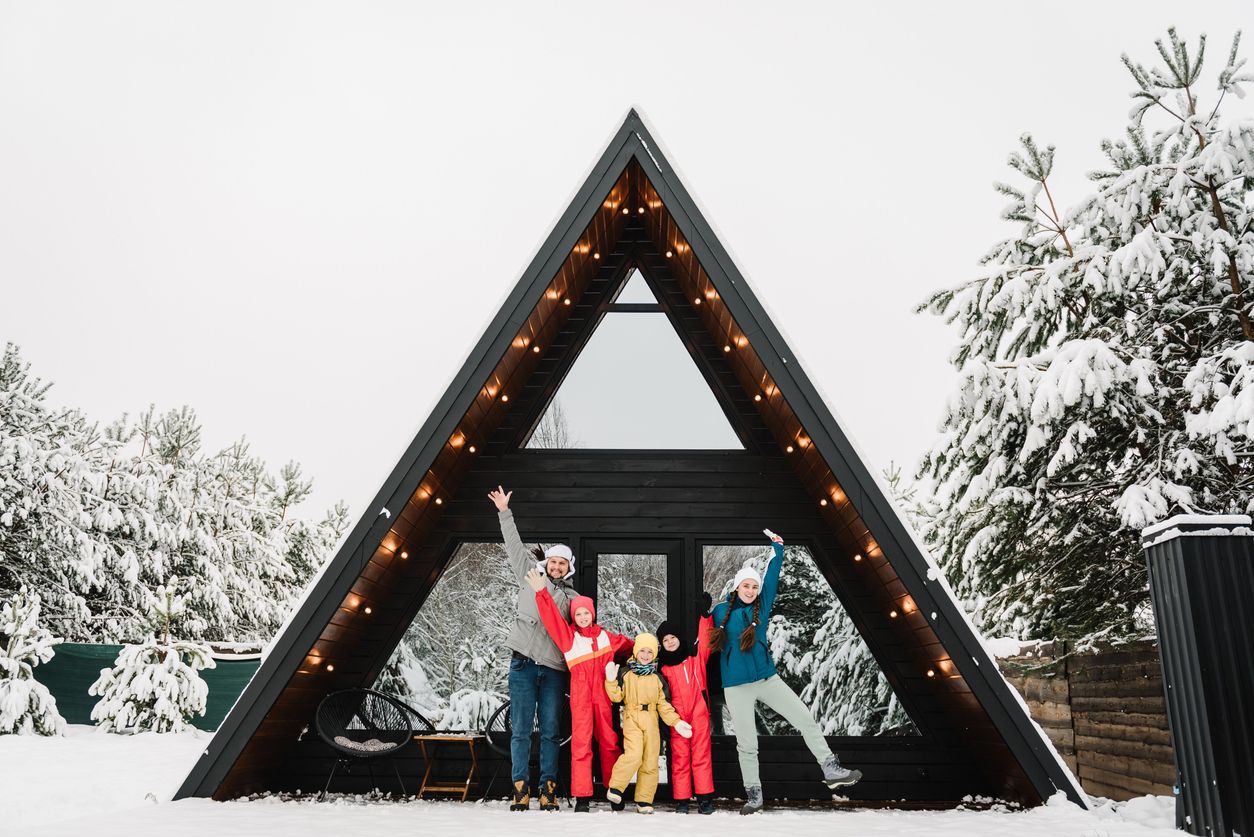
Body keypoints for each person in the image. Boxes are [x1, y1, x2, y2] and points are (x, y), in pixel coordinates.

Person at [708, 530, 862, 814]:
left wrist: (778, 549)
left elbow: (771, 577)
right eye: (747, 586)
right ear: (737, 588)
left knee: (805, 718)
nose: (752, 590)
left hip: (768, 679)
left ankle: (830, 769)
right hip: (736, 686)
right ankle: (754, 795)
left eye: (754, 587)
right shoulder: (719, 612)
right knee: (747, 743)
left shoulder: (761, 607)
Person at [489, 485, 578, 812]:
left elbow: (561, 618)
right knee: (522, 730)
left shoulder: (571, 599)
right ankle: (520, 789)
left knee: (552, 732)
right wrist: (504, 512)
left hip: (553, 670)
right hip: (523, 665)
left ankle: (548, 789)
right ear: (547, 562)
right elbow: (514, 546)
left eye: (561, 565)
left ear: (568, 569)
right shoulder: (530, 575)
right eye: (552, 562)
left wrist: (546, 589)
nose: (555, 568)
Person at [526, 568, 634, 812]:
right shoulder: (569, 638)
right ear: (574, 616)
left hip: (605, 697)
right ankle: (582, 797)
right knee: (582, 745)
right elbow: (552, 618)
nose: (584, 617)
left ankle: (614, 792)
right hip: (582, 697)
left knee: (610, 743)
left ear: (593, 614)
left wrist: (644, 658)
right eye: (579, 613)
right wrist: (542, 592)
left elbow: (634, 648)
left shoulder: (607, 636)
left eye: (587, 613)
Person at [603, 634, 693, 814]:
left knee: (650, 761)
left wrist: (676, 722)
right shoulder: (626, 674)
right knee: (634, 754)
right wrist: (611, 681)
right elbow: (616, 697)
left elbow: (663, 705)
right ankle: (615, 788)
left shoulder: (657, 678)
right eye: (642, 650)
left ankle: (644, 800)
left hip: (652, 719)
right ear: (636, 652)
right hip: (632, 717)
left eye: (649, 652)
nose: (645, 655)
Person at [656, 597, 716, 815]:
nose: (670, 642)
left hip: (699, 713)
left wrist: (705, 616)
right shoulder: (662, 669)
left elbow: (706, 638)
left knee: (701, 755)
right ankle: (682, 799)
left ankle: (704, 797)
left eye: (673, 637)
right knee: (680, 757)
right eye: (665, 640)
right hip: (677, 719)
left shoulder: (694, 659)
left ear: (679, 638)